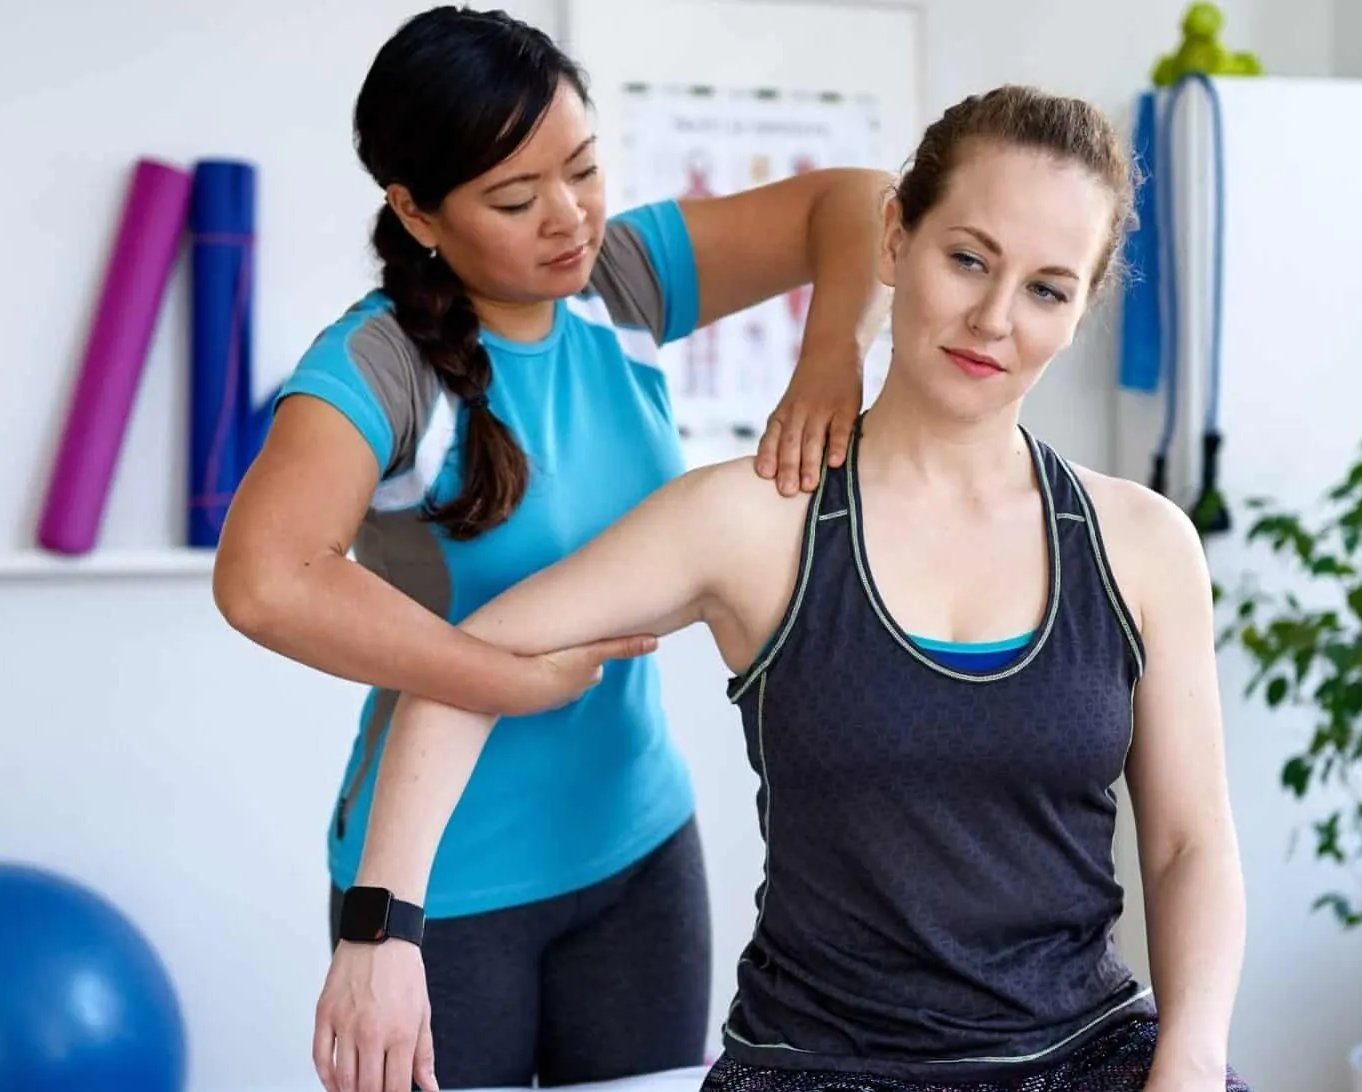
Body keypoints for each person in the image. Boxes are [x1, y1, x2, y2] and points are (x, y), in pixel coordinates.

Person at [319, 84, 1250, 1092]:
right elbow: (462, 669)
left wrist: (1191, 1057)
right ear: (893, 239)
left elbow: (1188, 843)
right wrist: (382, 932)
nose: (992, 318)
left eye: (1045, 289)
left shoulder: (1142, 546)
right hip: (818, 1066)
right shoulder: (755, 521)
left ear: (1079, 311)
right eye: (967, 258)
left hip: (1078, 1057)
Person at [211, 5, 892, 1089]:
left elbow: (857, 202)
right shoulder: (379, 365)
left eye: (581, 168)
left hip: (637, 849)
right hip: (449, 882)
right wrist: (506, 681)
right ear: (416, 211)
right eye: (516, 199)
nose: (569, 218)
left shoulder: (620, 279)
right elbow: (261, 580)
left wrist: (829, 359)